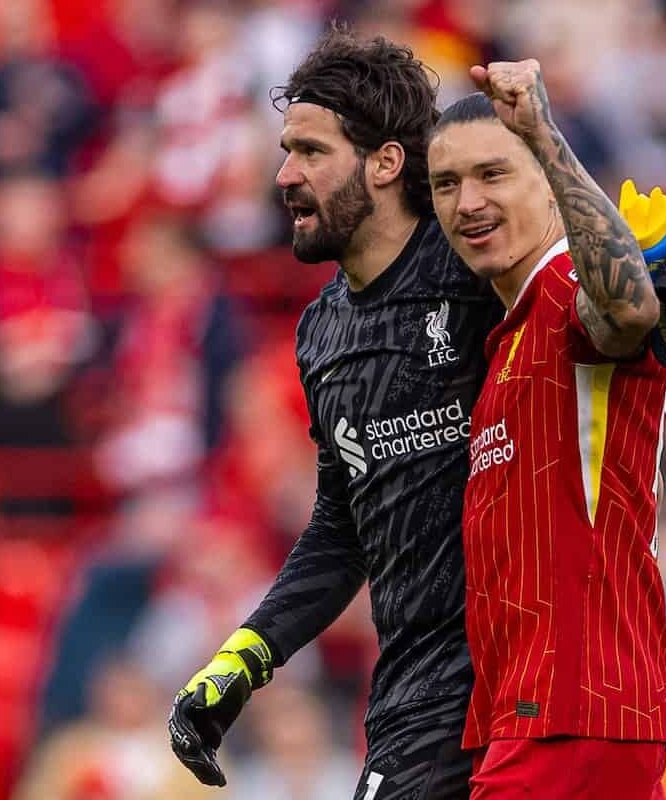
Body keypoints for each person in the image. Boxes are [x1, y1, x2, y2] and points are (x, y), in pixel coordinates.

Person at [167, 27, 503, 799]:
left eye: (312, 152)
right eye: (286, 150)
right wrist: (243, 658)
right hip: (413, 694)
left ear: (386, 162)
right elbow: (343, 523)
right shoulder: (323, 330)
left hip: (523, 679)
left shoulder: (480, 269)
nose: (284, 174)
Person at [426, 63, 666, 798]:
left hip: (575, 716)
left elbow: (632, 311)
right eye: (446, 185)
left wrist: (542, 130)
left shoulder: (572, 286)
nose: (468, 202)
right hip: (541, 717)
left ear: (546, 181)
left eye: (492, 174)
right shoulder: (502, 337)